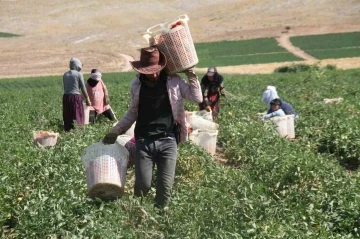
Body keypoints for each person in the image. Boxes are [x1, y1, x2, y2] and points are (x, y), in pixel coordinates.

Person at [102, 46, 202, 209]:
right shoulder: (137, 85)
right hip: (144, 141)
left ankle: (160, 218)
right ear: (142, 70)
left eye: (156, 70)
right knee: (143, 186)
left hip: (168, 140)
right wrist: (115, 131)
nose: (154, 74)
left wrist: (191, 74)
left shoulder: (174, 81)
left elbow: (197, 98)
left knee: (165, 186)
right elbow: (132, 113)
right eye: (149, 71)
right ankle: (137, 215)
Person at [62, 57, 91, 132]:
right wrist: (87, 98)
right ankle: (77, 132)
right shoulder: (79, 74)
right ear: (77, 65)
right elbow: (83, 87)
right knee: (77, 115)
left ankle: (68, 131)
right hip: (75, 97)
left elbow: (66, 88)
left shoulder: (65, 75)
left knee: (68, 115)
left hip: (66, 97)